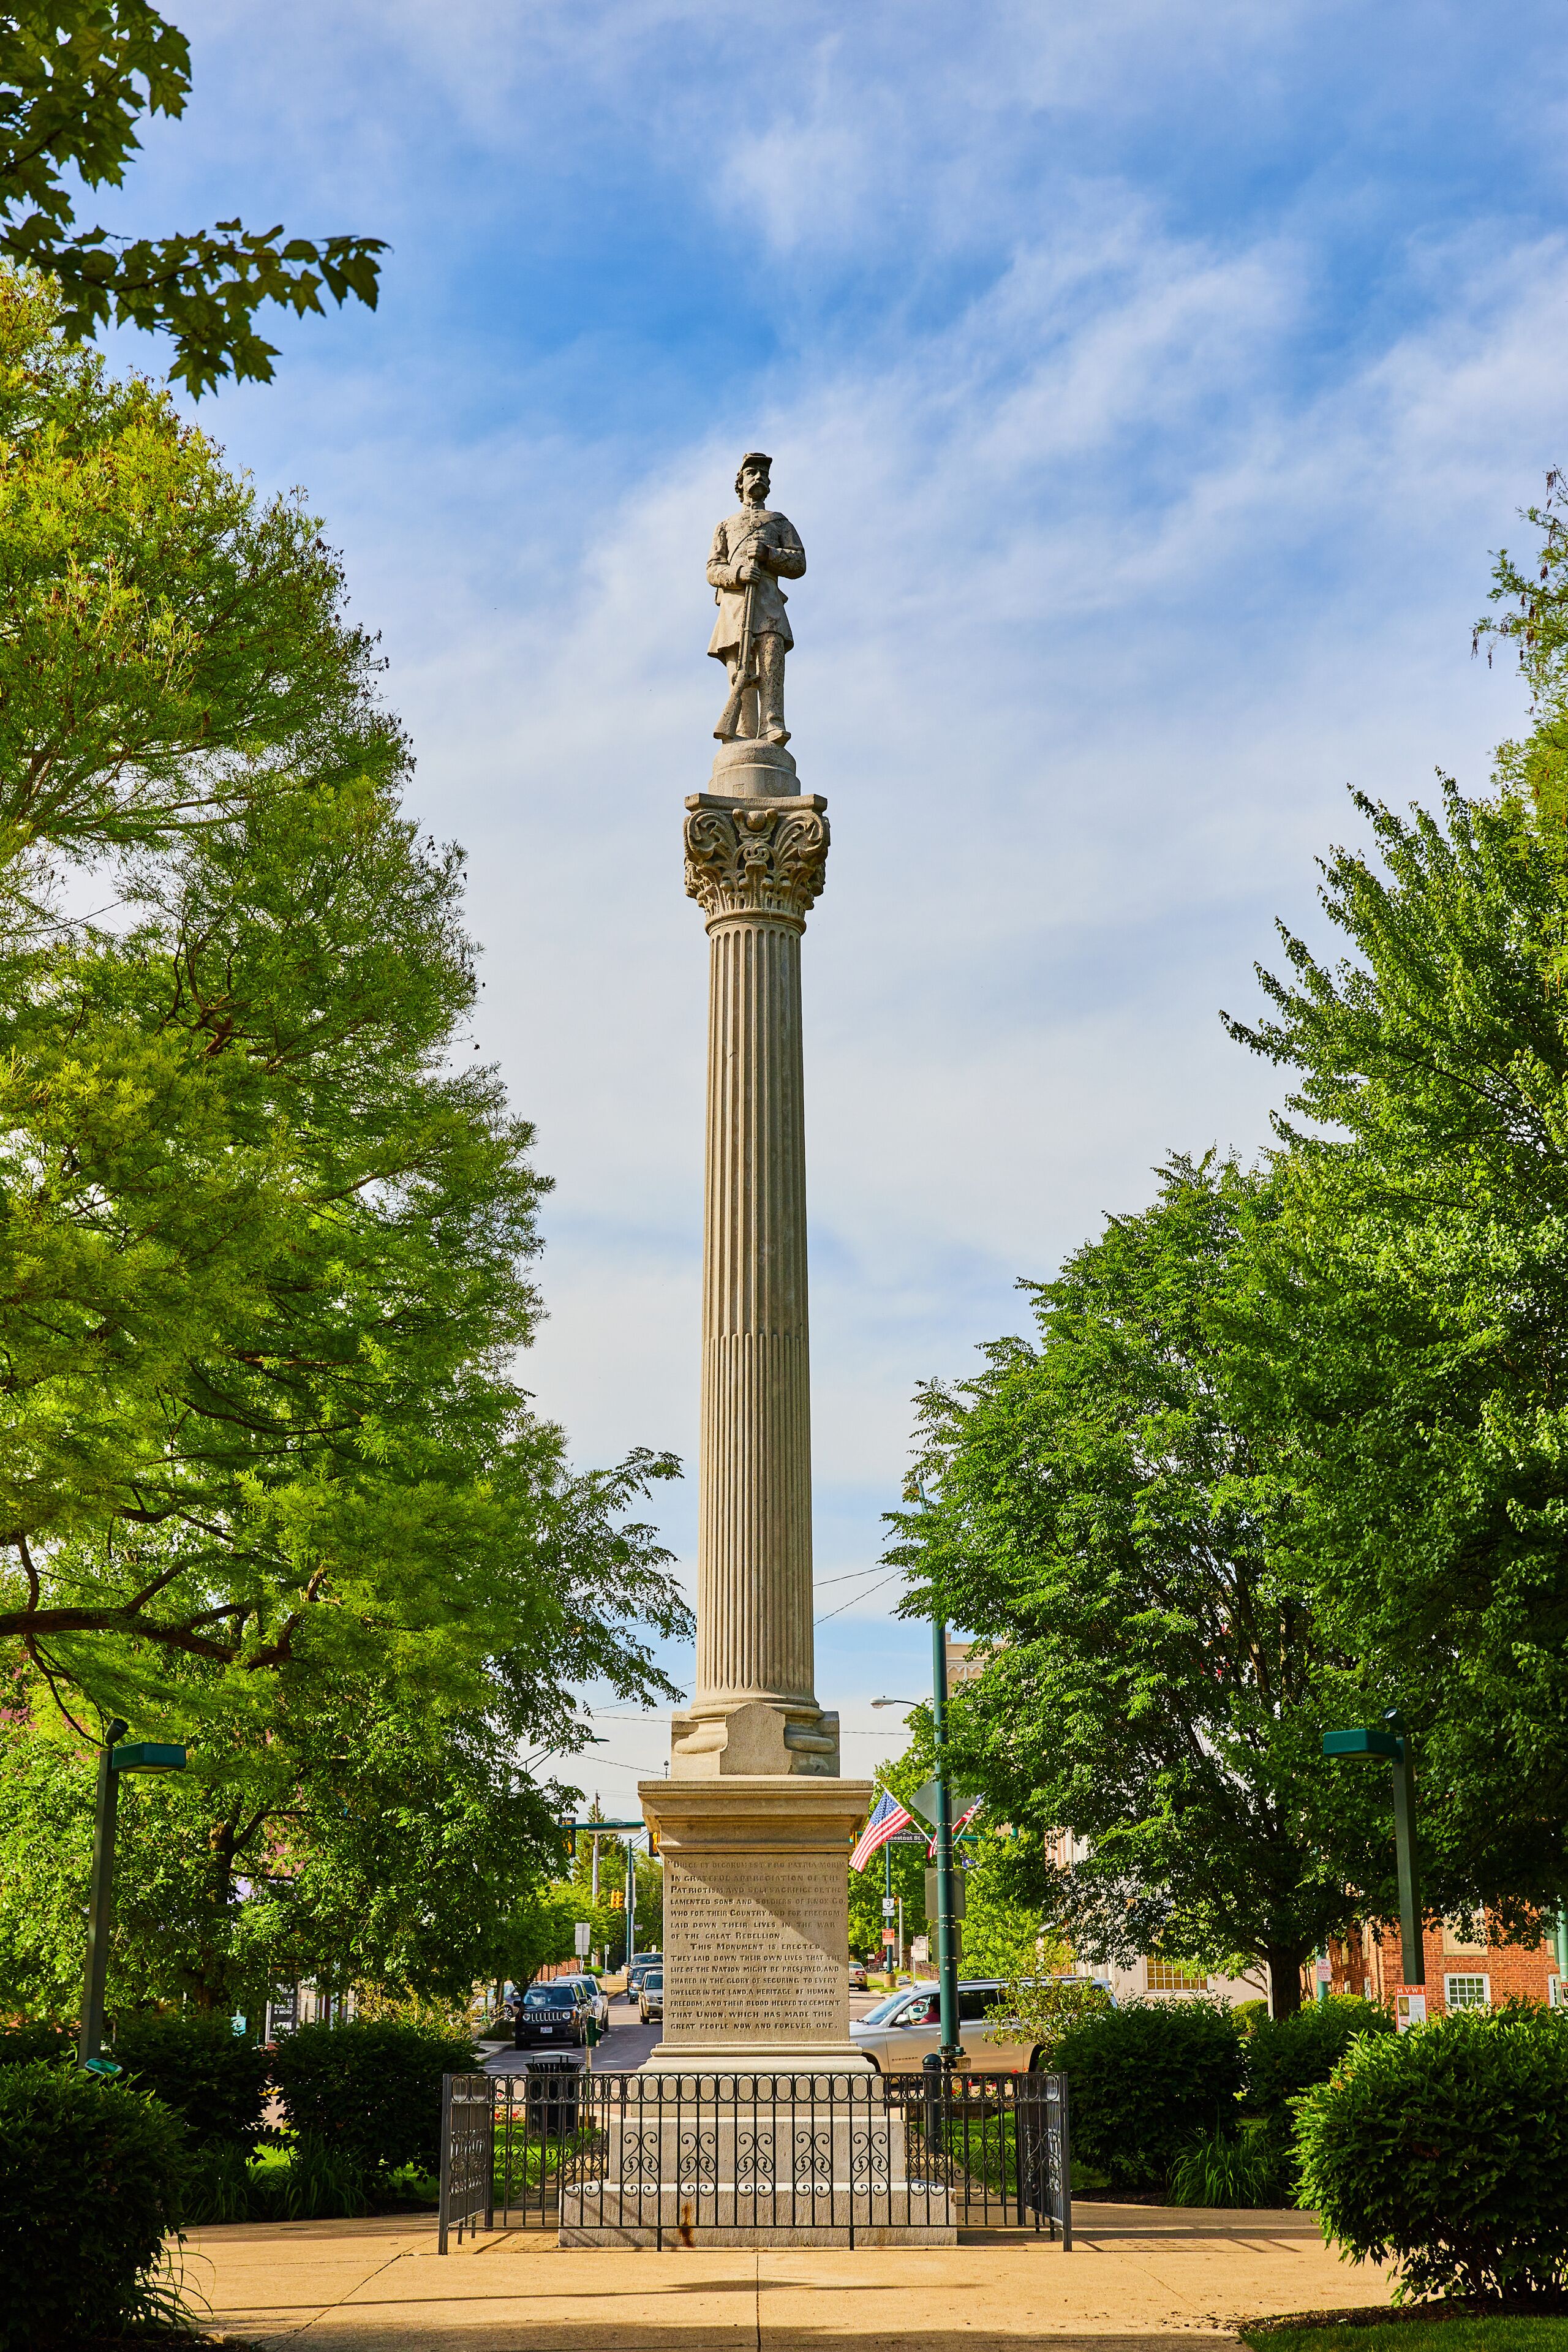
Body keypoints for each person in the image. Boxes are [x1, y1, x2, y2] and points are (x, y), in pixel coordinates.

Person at [707, 451, 806, 745]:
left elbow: (799, 563)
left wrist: (769, 555)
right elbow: (713, 569)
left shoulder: (779, 523)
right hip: (736, 609)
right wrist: (737, 575)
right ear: (741, 483)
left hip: (768, 606)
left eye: (763, 473)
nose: (759, 477)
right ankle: (744, 730)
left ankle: (773, 723)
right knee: (741, 671)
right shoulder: (726, 526)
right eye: (752, 473)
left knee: (771, 662)